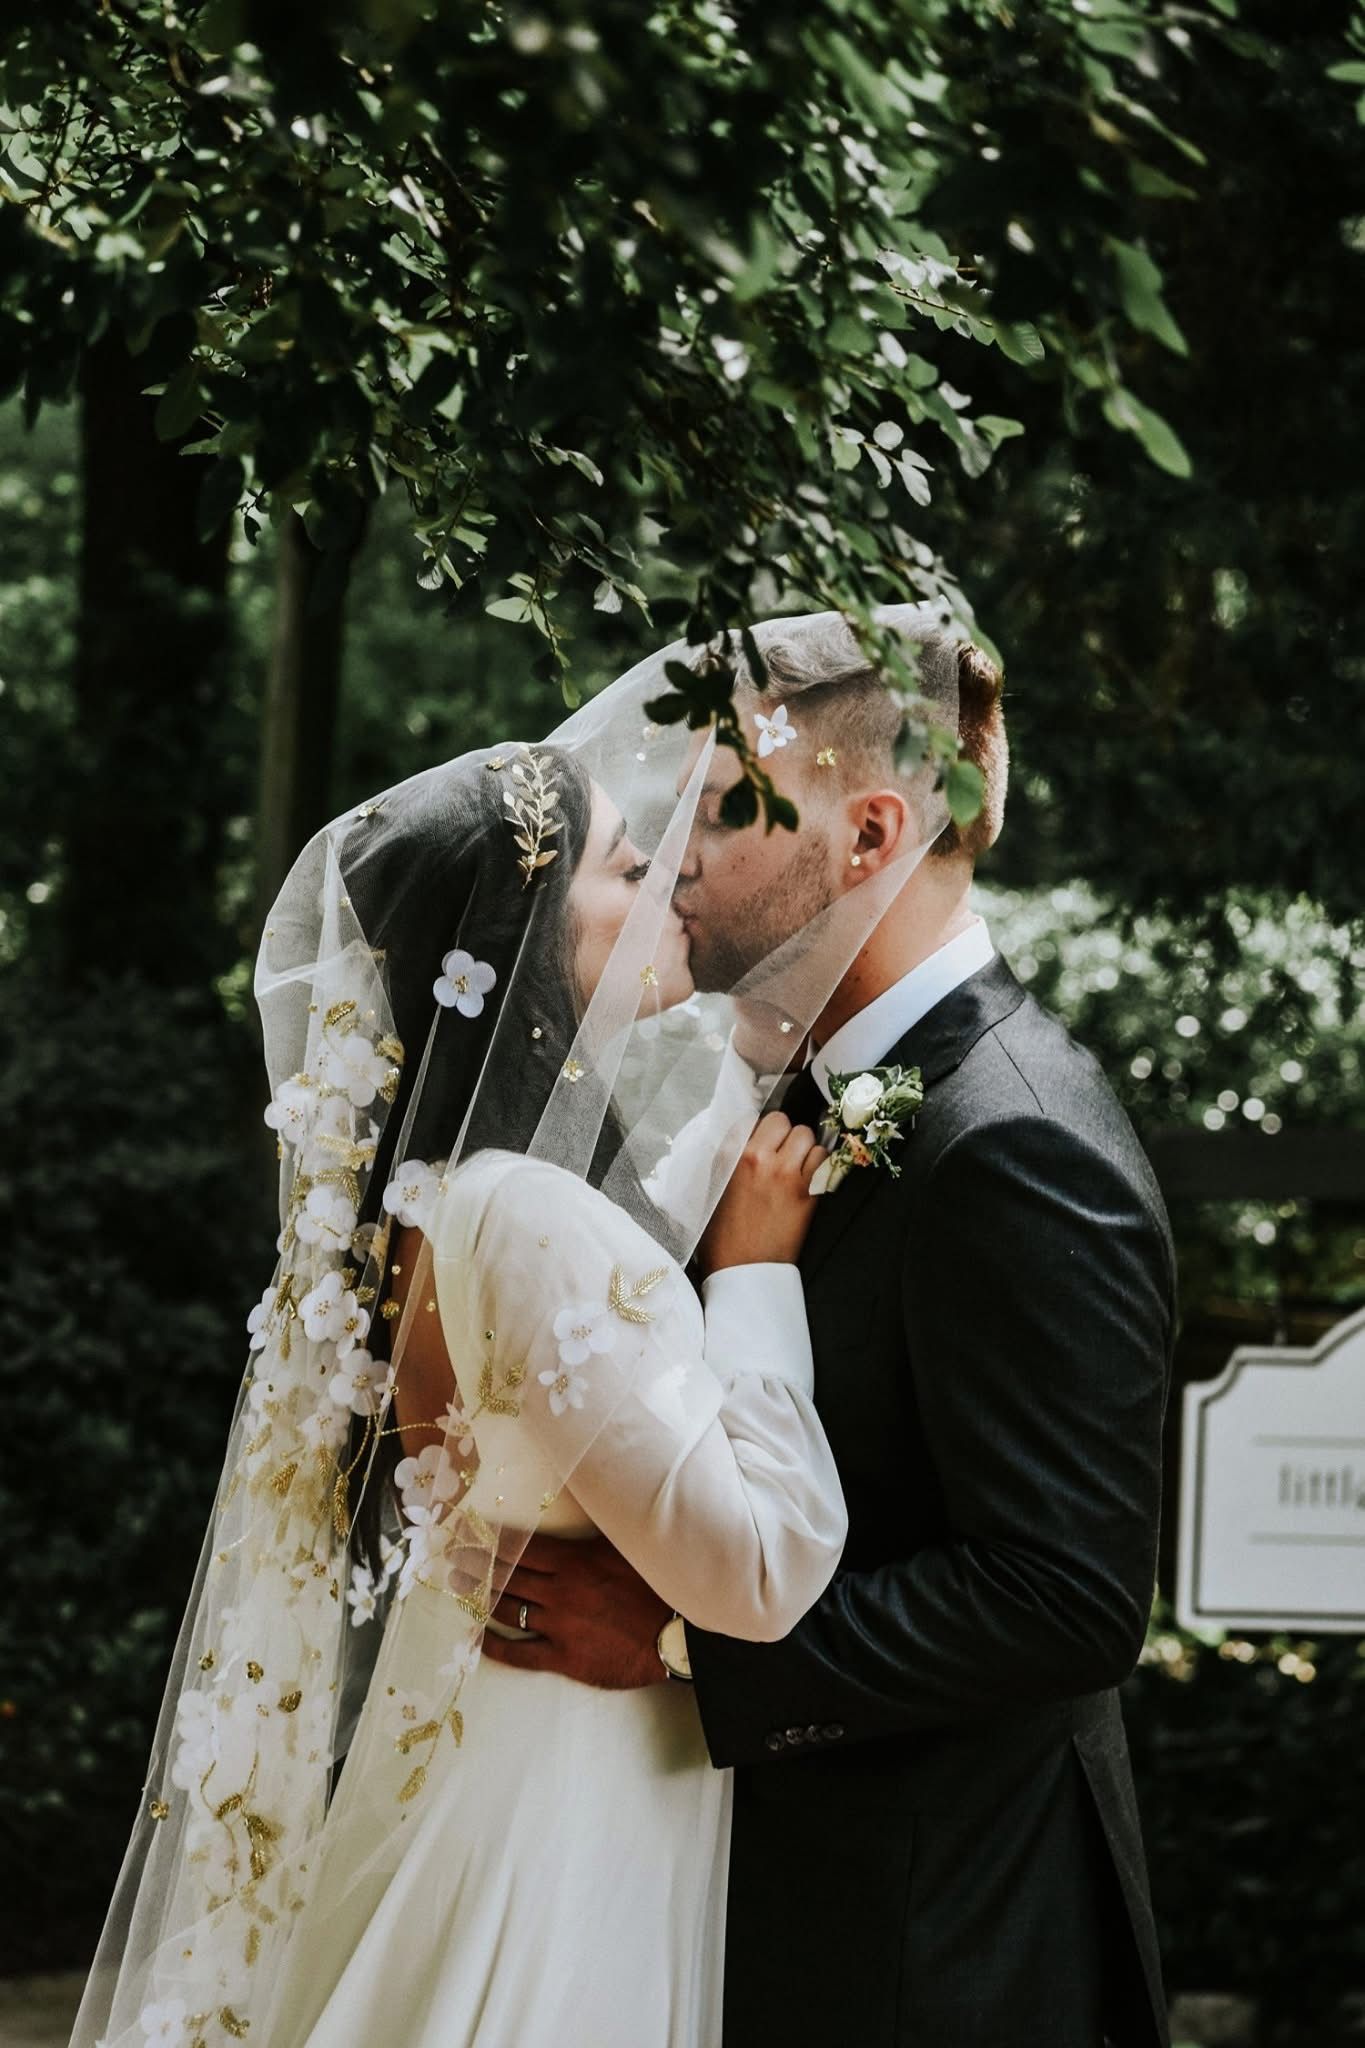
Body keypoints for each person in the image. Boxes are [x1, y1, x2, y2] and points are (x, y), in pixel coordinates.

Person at [68, 622, 953, 2048]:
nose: (671, 880)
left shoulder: (456, 1204)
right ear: (524, 949)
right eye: (623, 865)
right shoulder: (525, 1213)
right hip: (565, 1812)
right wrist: (758, 1273)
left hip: (507, 1759)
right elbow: (762, 1570)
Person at [484, 608, 1178, 2048]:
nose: (674, 851)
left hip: (933, 1949)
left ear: (867, 839)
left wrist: (683, 1641)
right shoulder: (766, 1088)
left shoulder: (1016, 1139)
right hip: (757, 1905)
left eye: (727, 809)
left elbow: (1064, 1598)